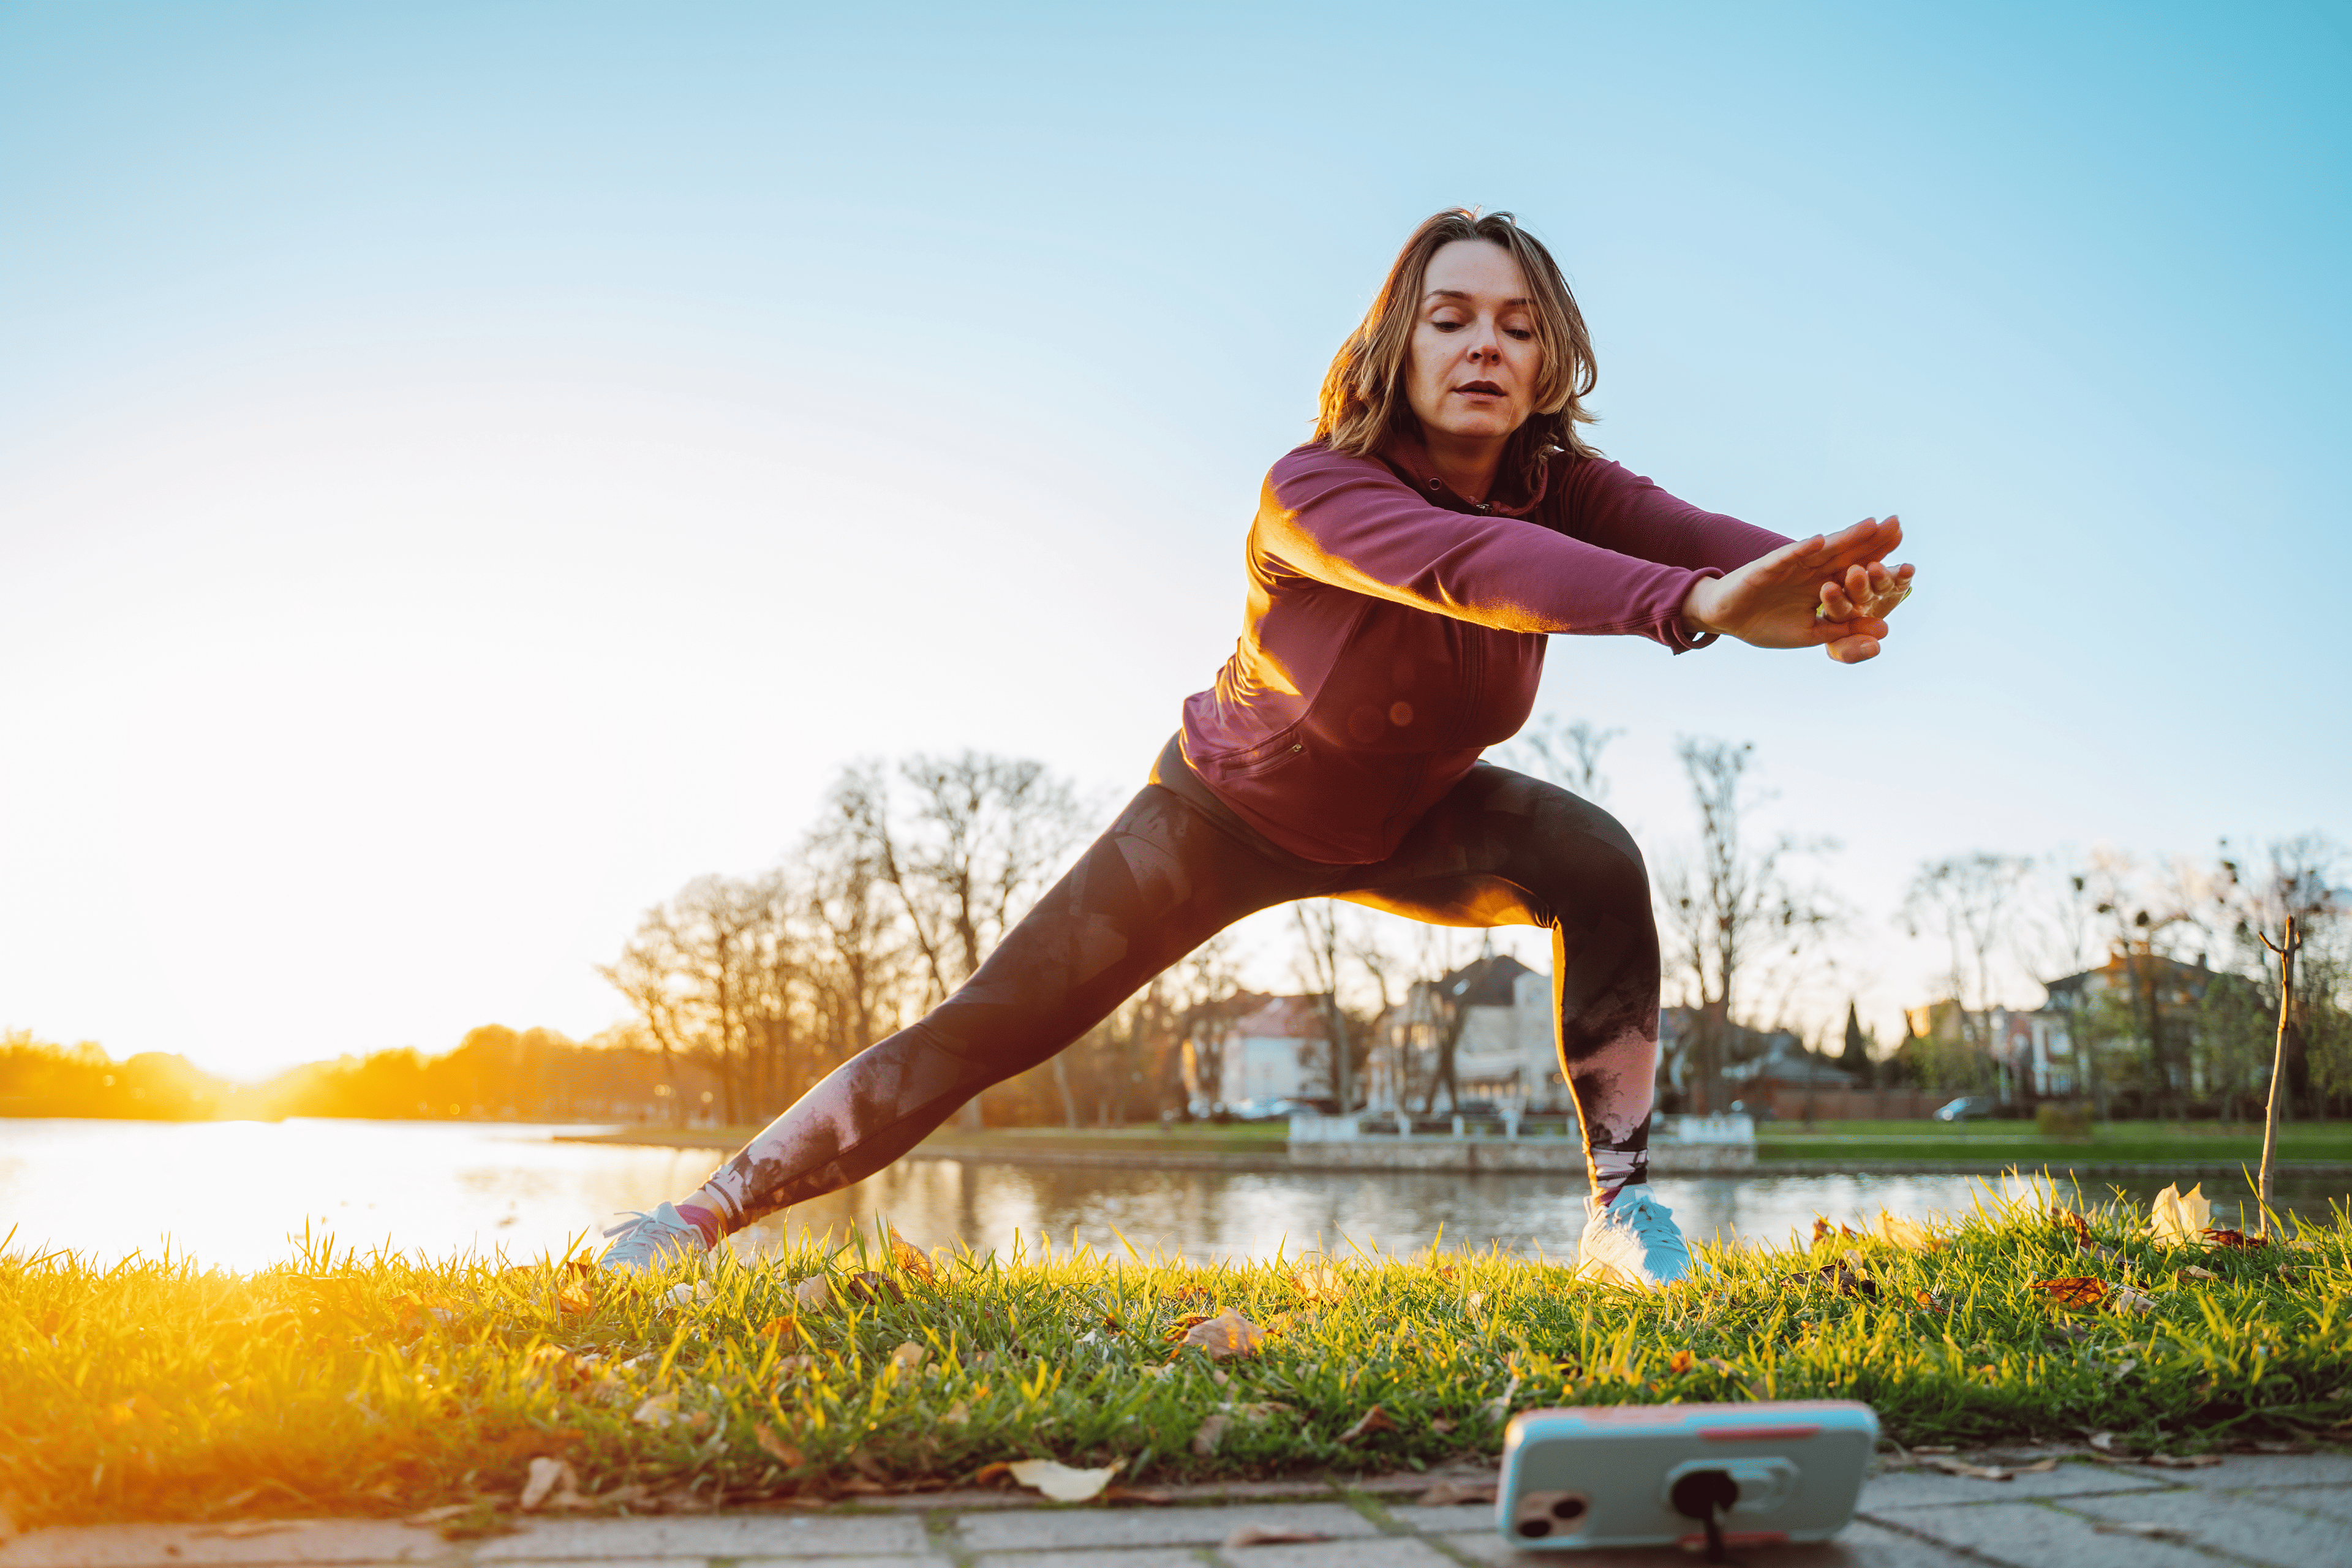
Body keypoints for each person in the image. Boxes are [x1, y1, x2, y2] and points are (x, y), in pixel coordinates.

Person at [599, 208, 1913, 1287]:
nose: (1485, 345)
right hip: (1219, 818)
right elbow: (1470, 568)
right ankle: (690, 1220)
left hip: (1413, 818)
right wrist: (1696, 608)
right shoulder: (1316, 489)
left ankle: (1620, 1213)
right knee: (987, 1027)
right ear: (1395, 344)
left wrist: (1817, 583)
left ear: (1551, 359)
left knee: (1596, 859)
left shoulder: (1558, 486)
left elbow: (1690, 536)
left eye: (1519, 327)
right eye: (1451, 317)